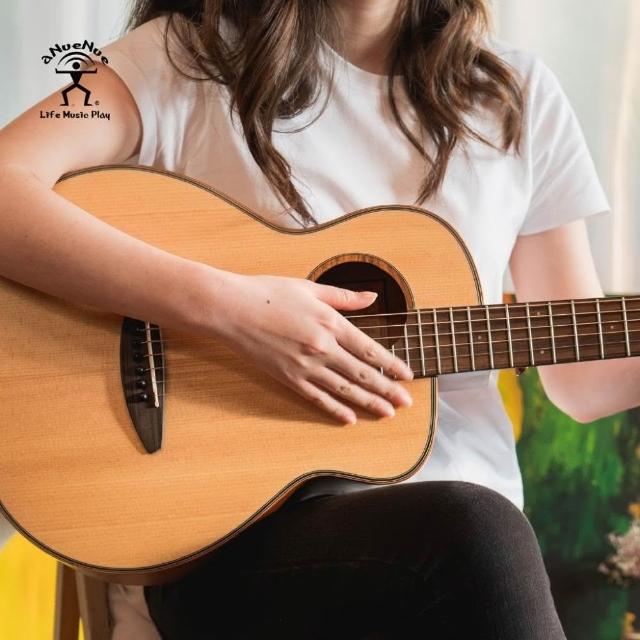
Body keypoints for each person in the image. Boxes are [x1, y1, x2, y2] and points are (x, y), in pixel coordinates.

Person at [0, 1, 635, 638]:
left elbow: (582, 382)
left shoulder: (518, 95)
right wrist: (231, 311)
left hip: (472, 564)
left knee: (480, 530)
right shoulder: (179, 57)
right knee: (478, 529)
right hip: (237, 543)